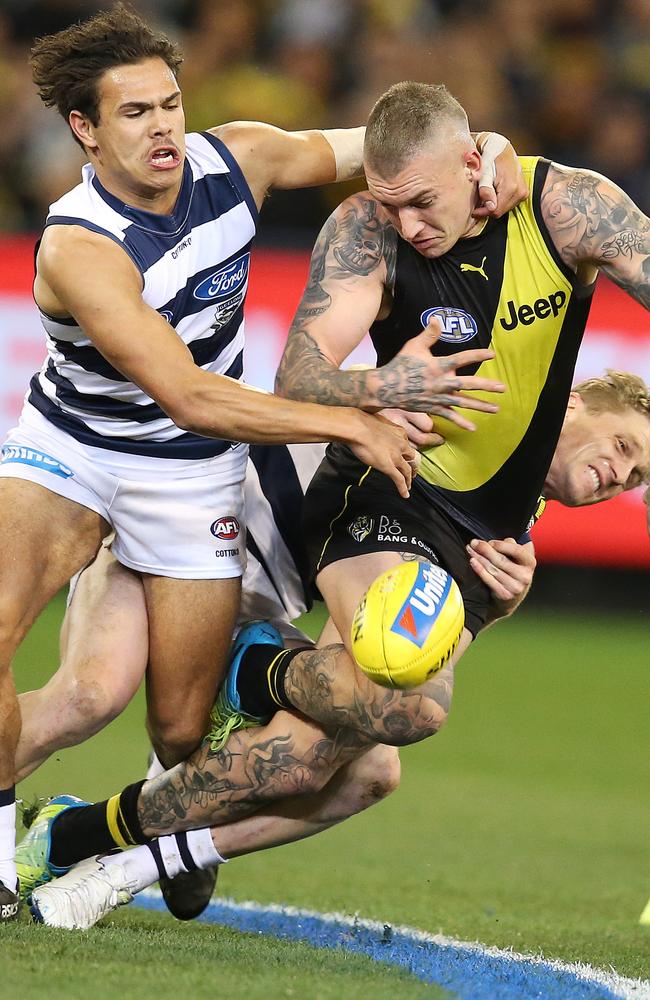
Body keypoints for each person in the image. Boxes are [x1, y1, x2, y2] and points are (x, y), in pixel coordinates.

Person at [0, 13, 519, 919]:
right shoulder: (79, 243)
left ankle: (147, 820)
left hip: (193, 475)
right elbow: (190, 395)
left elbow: (390, 142)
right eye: (134, 114)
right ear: (85, 129)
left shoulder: (238, 159)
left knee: (180, 724)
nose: (163, 127)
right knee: (79, 690)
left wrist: (484, 146)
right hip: (75, 449)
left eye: (171, 103)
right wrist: (352, 411)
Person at [16, 369, 650, 929]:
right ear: (568, 403)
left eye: (637, 476)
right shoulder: (470, 405)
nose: (620, 474)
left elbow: (405, 659)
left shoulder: (508, 533)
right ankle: (166, 798)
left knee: (370, 771)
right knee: (86, 696)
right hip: (175, 538)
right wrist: (372, 393)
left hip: (250, 610)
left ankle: (97, 841)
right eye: (624, 445)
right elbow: (305, 380)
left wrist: (492, 613)